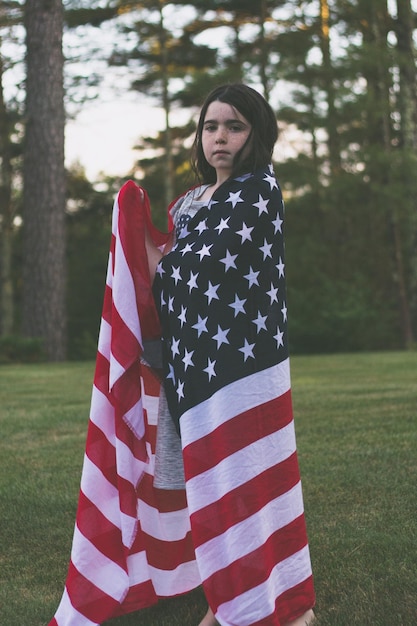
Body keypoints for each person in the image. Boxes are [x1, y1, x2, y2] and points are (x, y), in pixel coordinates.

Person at [49, 84, 315, 626]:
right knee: (206, 482)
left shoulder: (257, 192)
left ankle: (278, 602)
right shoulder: (191, 202)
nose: (220, 138)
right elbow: (166, 275)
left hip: (244, 368)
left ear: (256, 134)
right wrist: (137, 229)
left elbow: (198, 271)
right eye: (211, 126)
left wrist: (158, 256)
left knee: (251, 477)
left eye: (234, 126)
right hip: (192, 367)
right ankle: (225, 592)